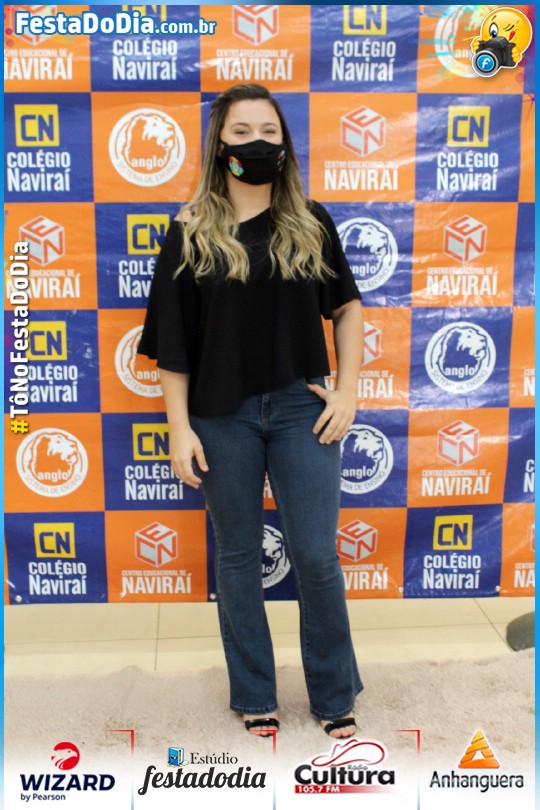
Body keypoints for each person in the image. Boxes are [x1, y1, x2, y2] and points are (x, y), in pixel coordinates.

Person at [138, 83, 364, 739]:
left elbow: (347, 309)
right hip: (220, 416)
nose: (257, 143)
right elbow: (173, 347)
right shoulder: (189, 231)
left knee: (316, 556)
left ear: (285, 143)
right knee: (238, 557)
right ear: (220, 145)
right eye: (241, 132)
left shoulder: (311, 221)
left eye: (269, 131)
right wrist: (179, 429)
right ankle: (255, 694)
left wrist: (347, 391)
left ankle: (334, 695)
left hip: (301, 409)